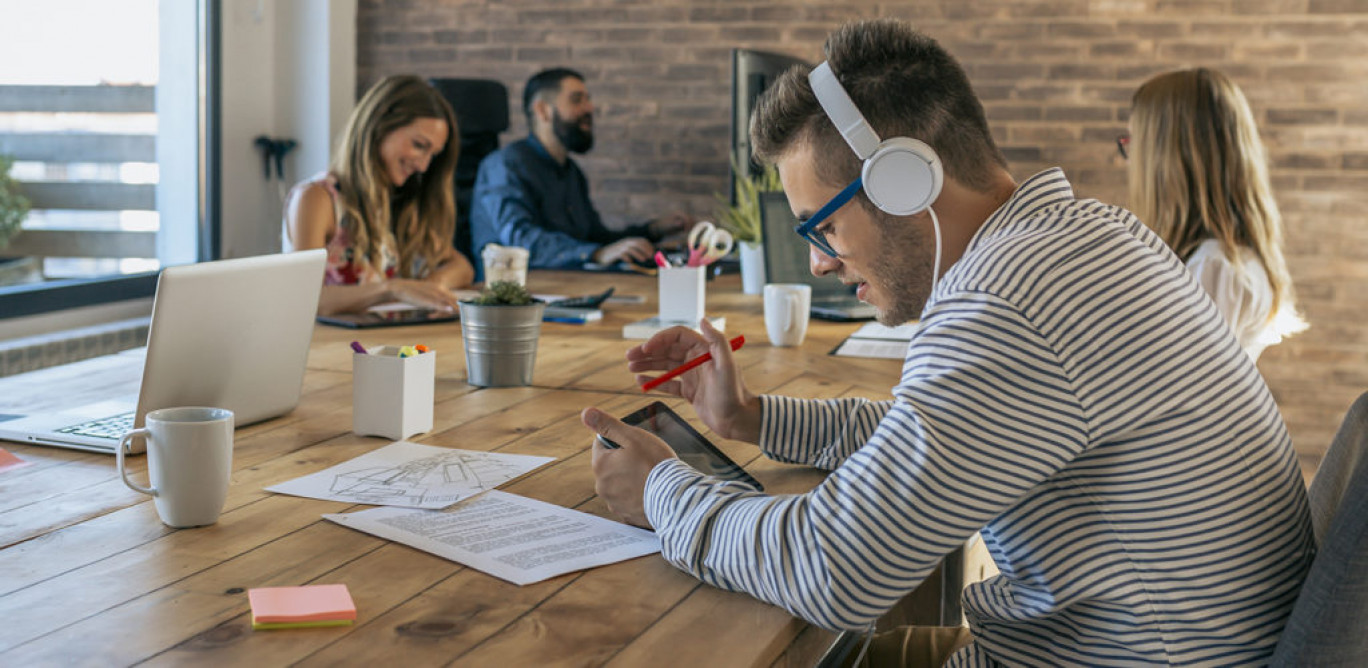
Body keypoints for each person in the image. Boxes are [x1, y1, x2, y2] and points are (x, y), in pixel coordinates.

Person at [581, 19, 1313, 667]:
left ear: (904, 181)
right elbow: (940, 437)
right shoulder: (1087, 236)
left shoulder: (1008, 299)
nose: (819, 261)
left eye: (822, 226)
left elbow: (832, 569)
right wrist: (754, 419)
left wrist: (661, 491)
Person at [1126, 67, 1307, 361]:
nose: (1130, 161)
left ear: (1164, 158)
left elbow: (1181, 388)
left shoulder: (1212, 268)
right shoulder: (1222, 261)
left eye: (1132, 145)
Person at [469, 67, 692, 278]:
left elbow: (594, 237)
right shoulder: (505, 165)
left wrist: (653, 229)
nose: (589, 108)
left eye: (588, 99)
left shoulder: (571, 172)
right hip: (517, 300)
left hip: (569, 287)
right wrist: (595, 254)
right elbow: (521, 242)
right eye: (577, 100)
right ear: (543, 110)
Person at [283, 74, 474, 316]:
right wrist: (391, 289)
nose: (424, 167)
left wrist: (431, 288)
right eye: (419, 145)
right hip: (332, 347)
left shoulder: (397, 202)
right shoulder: (316, 199)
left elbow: (461, 266)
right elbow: (305, 298)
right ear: (380, 126)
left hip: (384, 345)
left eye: (433, 154)